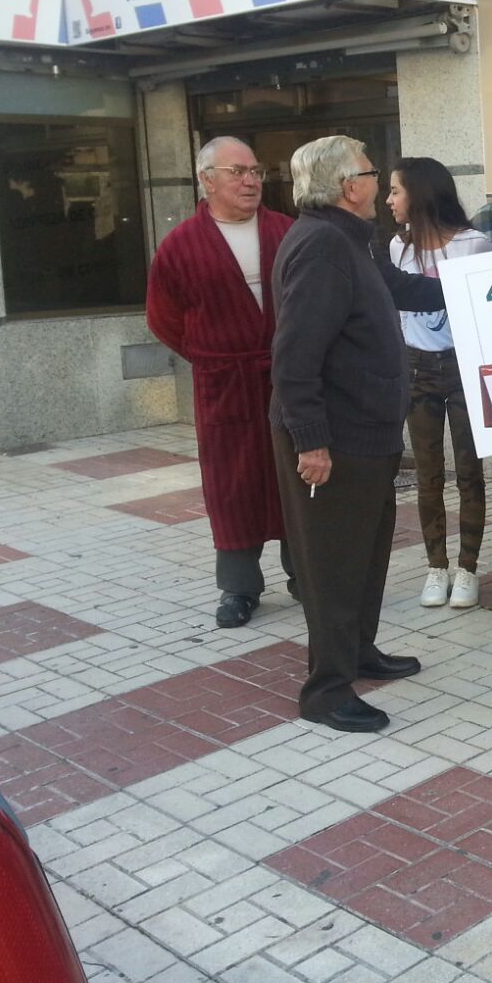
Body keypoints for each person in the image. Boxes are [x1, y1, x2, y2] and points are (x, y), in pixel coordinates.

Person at [269, 136, 437, 734]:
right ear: (349, 186)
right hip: (333, 440)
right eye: (372, 172)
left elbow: (410, 291)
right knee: (334, 565)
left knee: (366, 555)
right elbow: (294, 358)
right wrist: (310, 440)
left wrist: (487, 281)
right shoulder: (322, 248)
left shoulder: (350, 241)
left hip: (367, 434)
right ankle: (325, 690)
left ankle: (359, 652)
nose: (380, 181)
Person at [146, 137, 296, 628]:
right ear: (206, 180)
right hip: (224, 383)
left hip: (285, 381)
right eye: (237, 171)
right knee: (232, 485)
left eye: (256, 171)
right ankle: (239, 588)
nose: (251, 180)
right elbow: (163, 318)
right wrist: (210, 357)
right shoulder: (181, 245)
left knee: (296, 477)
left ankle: (307, 574)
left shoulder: (287, 232)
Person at [387, 158, 492, 612]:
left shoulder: (475, 244)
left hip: (464, 366)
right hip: (416, 366)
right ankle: (437, 566)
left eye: (395, 191)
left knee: (470, 472)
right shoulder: (397, 247)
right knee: (428, 475)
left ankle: (468, 567)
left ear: (421, 193)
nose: (389, 200)